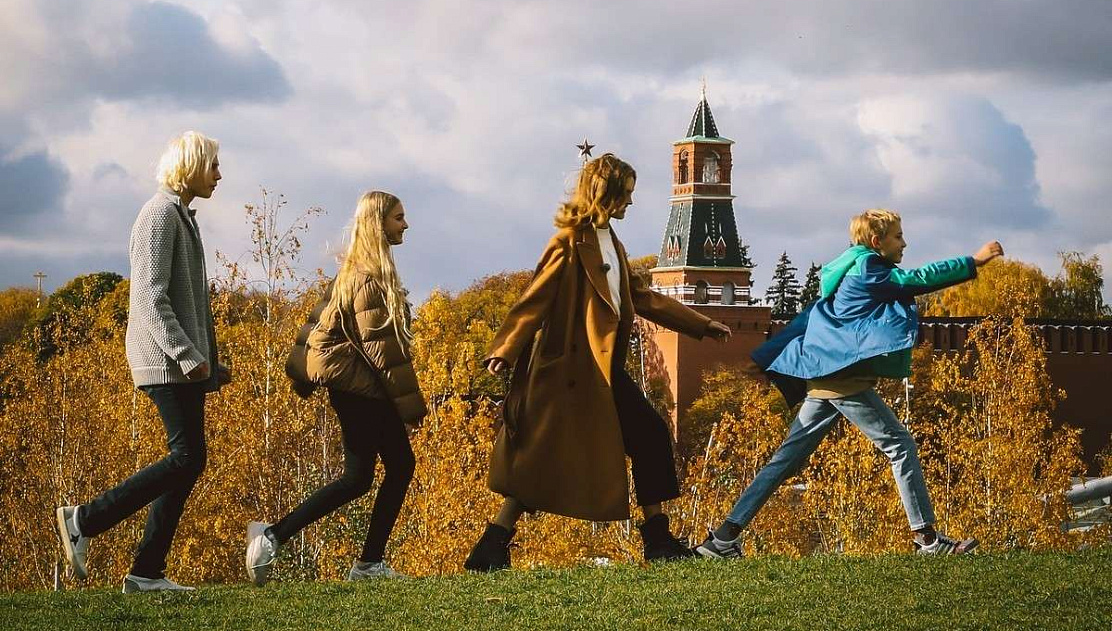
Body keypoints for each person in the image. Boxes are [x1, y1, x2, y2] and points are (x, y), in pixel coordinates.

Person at [464, 153, 732, 571]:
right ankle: (492, 546)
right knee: (543, 456)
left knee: (647, 435)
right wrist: (505, 348)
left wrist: (701, 323)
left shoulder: (611, 241)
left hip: (601, 372)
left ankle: (657, 539)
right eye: (626, 194)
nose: (631, 202)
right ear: (606, 194)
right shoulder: (569, 242)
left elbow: (640, 297)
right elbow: (535, 299)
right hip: (567, 371)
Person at [697, 209, 1003, 559]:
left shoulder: (848, 268)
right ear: (877, 242)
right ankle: (928, 539)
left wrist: (768, 358)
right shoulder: (870, 269)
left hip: (826, 376)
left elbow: (812, 318)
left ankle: (723, 539)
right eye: (898, 237)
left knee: (784, 462)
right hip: (842, 378)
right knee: (900, 444)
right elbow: (916, 279)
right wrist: (973, 262)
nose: (905, 243)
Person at [54, 131, 230, 593]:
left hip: (183, 361)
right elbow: (150, 299)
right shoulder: (158, 215)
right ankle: (83, 520)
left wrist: (209, 361)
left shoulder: (183, 218)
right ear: (190, 165)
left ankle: (147, 571)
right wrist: (188, 356)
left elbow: (189, 300)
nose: (218, 174)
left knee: (190, 460)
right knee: (187, 456)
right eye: (212, 164)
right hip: (164, 360)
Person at [246, 191, 426, 585]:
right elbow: (385, 352)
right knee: (378, 471)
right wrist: (410, 410)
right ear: (380, 223)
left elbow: (317, 327)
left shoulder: (359, 271)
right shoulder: (367, 279)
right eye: (399, 217)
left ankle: (356, 559)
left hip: (354, 384)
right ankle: (280, 538)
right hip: (358, 385)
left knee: (370, 474)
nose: (406, 224)